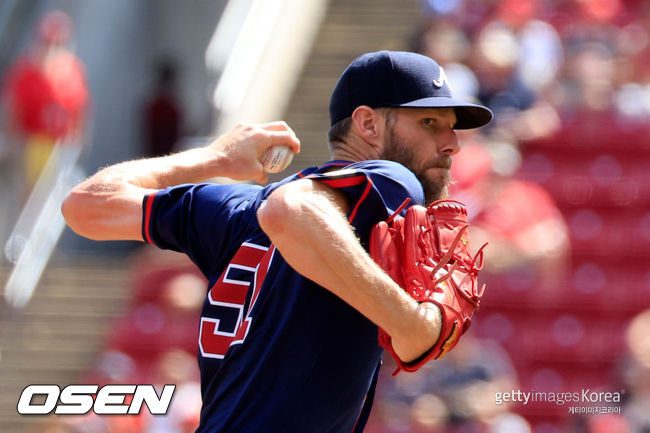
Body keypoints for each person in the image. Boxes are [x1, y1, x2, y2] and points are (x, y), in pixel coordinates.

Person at [62, 51, 492, 432]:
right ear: (367, 124)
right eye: (430, 122)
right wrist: (412, 322)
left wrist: (216, 159)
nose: (451, 144)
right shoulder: (392, 177)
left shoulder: (232, 206)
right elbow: (289, 212)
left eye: (451, 127)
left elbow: (86, 206)